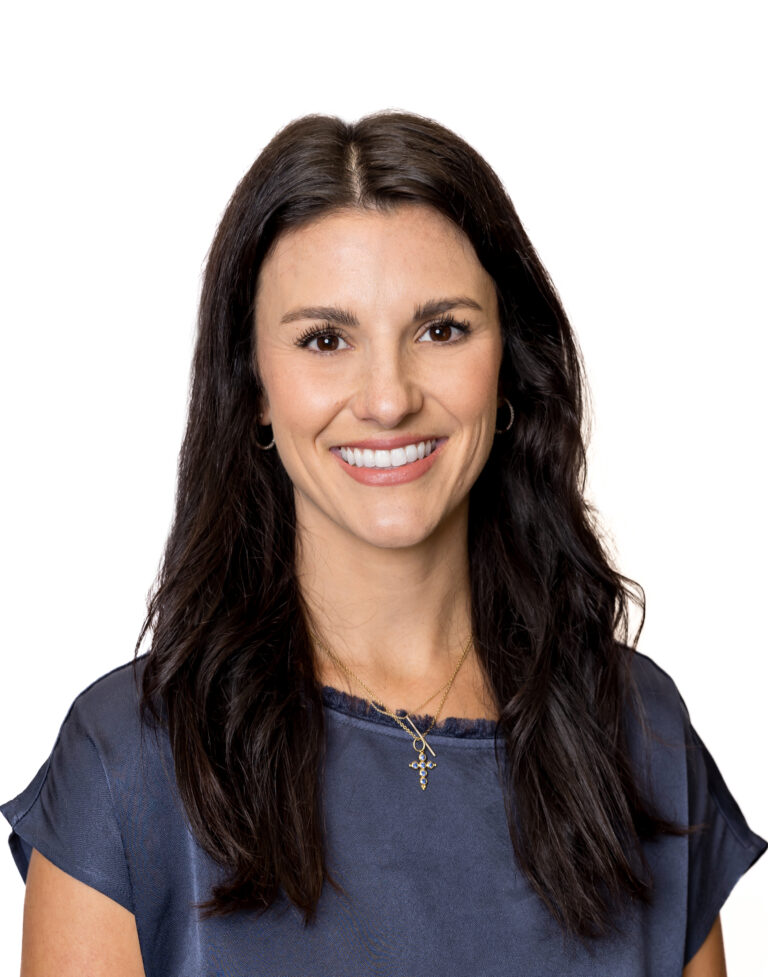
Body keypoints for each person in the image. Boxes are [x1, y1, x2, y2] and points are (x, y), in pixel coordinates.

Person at [2, 110, 765, 977]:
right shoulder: (127, 762)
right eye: (326, 340)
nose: (389, 397)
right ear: (253, 384)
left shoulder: (642, 736)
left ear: (508, 362)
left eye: (441, 329)